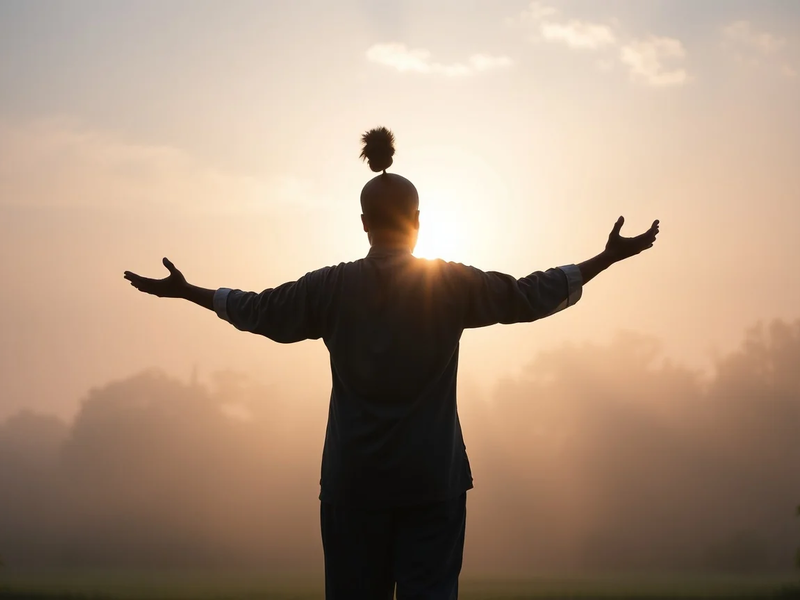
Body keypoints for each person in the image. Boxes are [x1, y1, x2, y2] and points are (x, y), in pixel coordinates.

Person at [124, 127, 660, 600]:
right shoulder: (448, 285)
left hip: (352, 485)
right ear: (419, 221)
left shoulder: (328, 288)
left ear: (363, 223)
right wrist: (605, 259)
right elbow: (527, 296)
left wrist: (188, 291)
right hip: (432, 481)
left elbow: (258, 310)